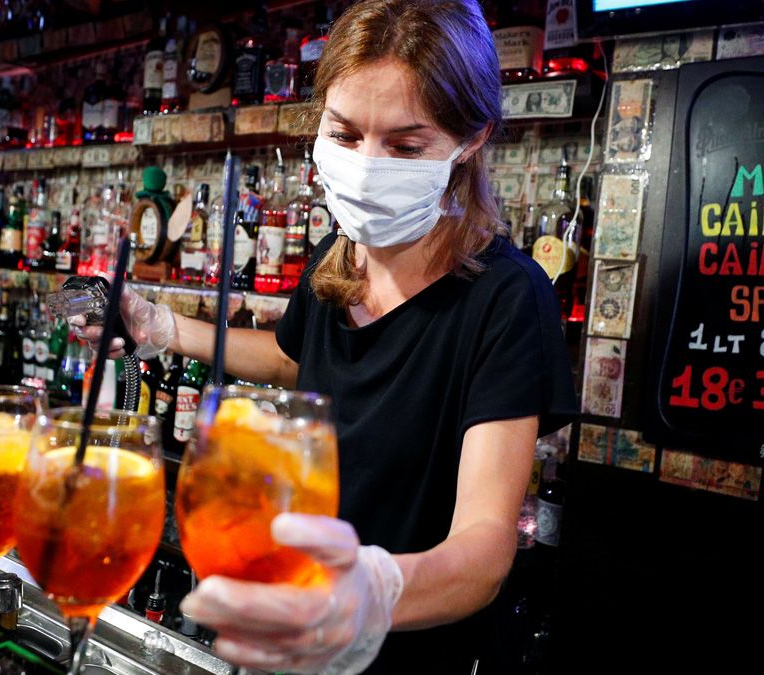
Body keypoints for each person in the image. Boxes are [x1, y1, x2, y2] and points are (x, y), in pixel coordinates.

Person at [71, 0, 577, 672]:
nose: (368, 166)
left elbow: (484, 548)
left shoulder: (507, 300)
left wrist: (371, 592)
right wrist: (162, 328)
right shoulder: (339, 253)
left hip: (405, 655)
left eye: (404, 145)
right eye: (343, 135)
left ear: (472, 137)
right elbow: (290, 359)